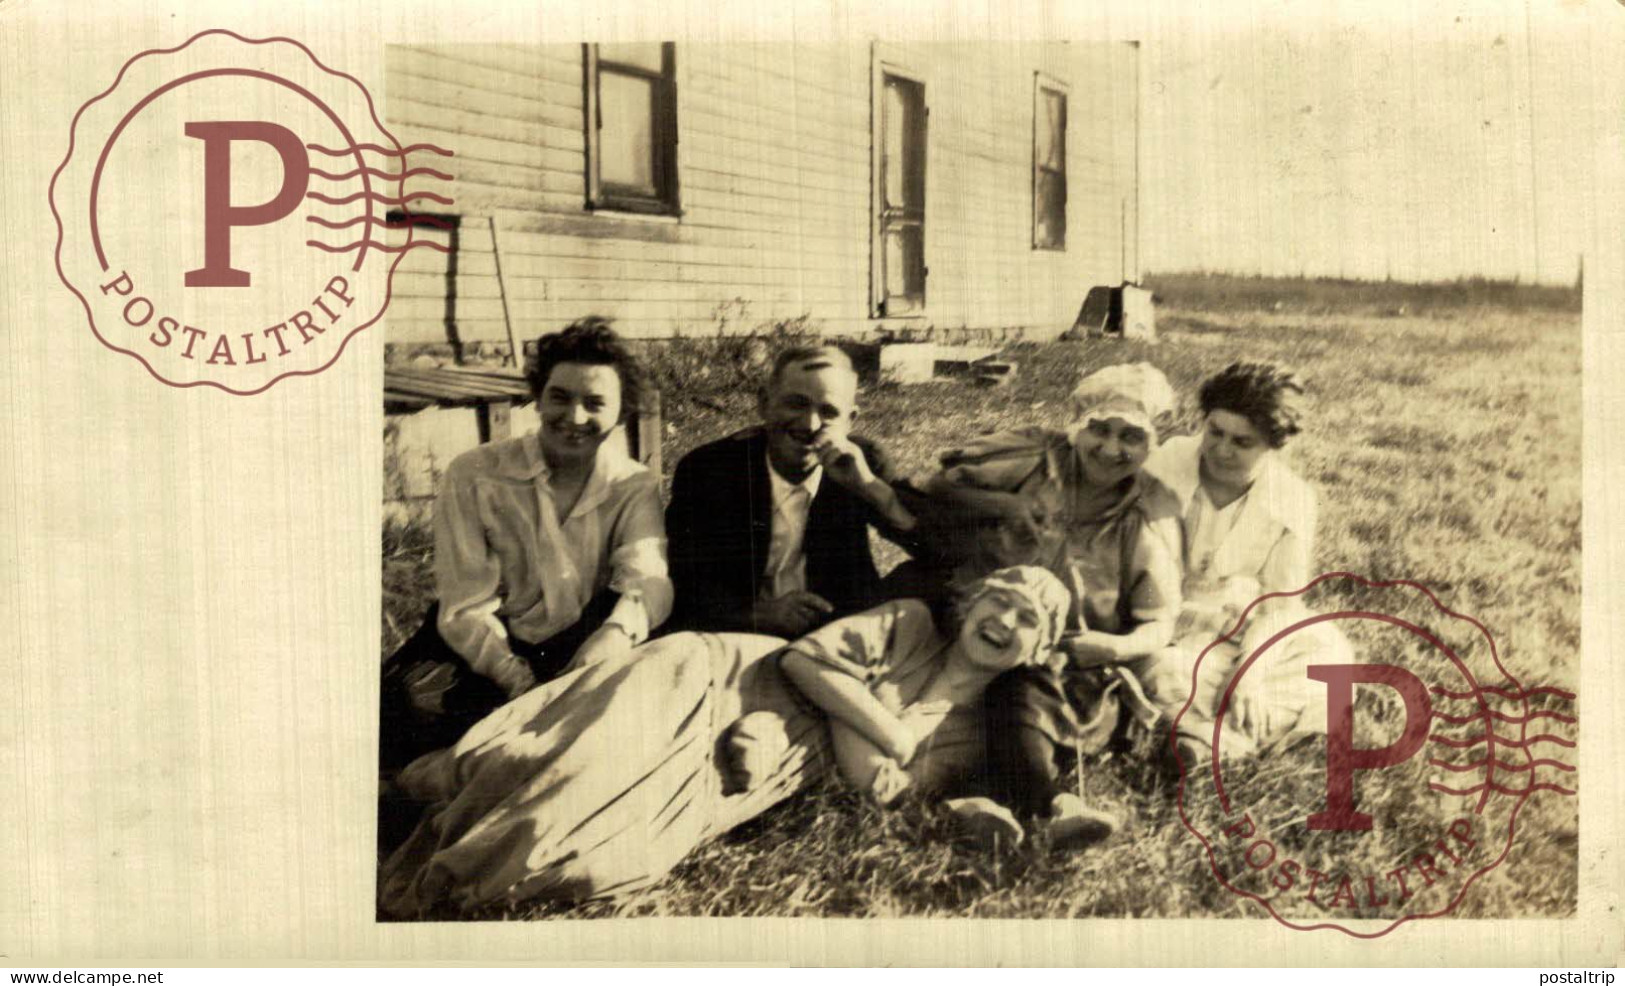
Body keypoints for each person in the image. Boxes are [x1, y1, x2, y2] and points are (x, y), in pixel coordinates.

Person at [376, 568, 1066, 917]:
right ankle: (439, 823)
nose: (1004, 618)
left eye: (1026, 617)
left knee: (605, 856)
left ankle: (432, 807)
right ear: (969, 602)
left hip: (762, 759)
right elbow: (803, 661)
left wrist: (854, 726)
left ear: (1039, 649)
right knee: (579, 764)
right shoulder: (911, 623)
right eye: (998, 598)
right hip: (716, 674)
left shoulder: (973, 735)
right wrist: (891, 733)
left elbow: (875, 788)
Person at [900, 362, 1185, 848]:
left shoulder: (1148, 515)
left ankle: (1047, 806)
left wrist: (1112, 648)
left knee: (1018, 689)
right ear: (1078, 422)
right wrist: (1006, 508)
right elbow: (937, 487)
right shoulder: (1034, 456)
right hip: (974, 623)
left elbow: (1159, 622)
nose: (1111, 449)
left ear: (1151, 444)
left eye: (1131, 436)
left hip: (1063, 665)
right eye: (1099, 429)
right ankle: (976, 800)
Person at [378, 318, 673, 774]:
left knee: (626, 730)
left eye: (595, 403)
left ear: (621, 411)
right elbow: (464, 605)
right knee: (393, 720)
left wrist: (613, 637)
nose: (574, 417)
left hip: (583, 643)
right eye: (560, 397)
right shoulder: (474, 474)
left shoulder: (633, 485)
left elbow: (647, 581)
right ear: (538, 396)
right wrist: (516, 682)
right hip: (486, 646)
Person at [1142, 361, 1352, 763]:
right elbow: (1136, 556)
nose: (1221, 449)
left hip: (1240, 622)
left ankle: (1211, 734)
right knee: (1163, 668)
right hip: (1165, 616)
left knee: (1331, 654)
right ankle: (1227, 740)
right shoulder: (1170, 461)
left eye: (1242, 442)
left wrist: (1248, 674)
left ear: (1275, 446)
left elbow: (1279, 603)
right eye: (1215, 432)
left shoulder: (1292, 497)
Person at [665, 344, 917, 638]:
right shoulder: (710, 469)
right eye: (796, 403)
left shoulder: (862, 463)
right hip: (736, 633)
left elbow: (943, 554)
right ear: (764, 404)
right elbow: (679, 579)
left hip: (835, 633)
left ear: (850, 421)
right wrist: (756, 614)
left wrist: (874, 491)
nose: (810, 424)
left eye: (829, 412)